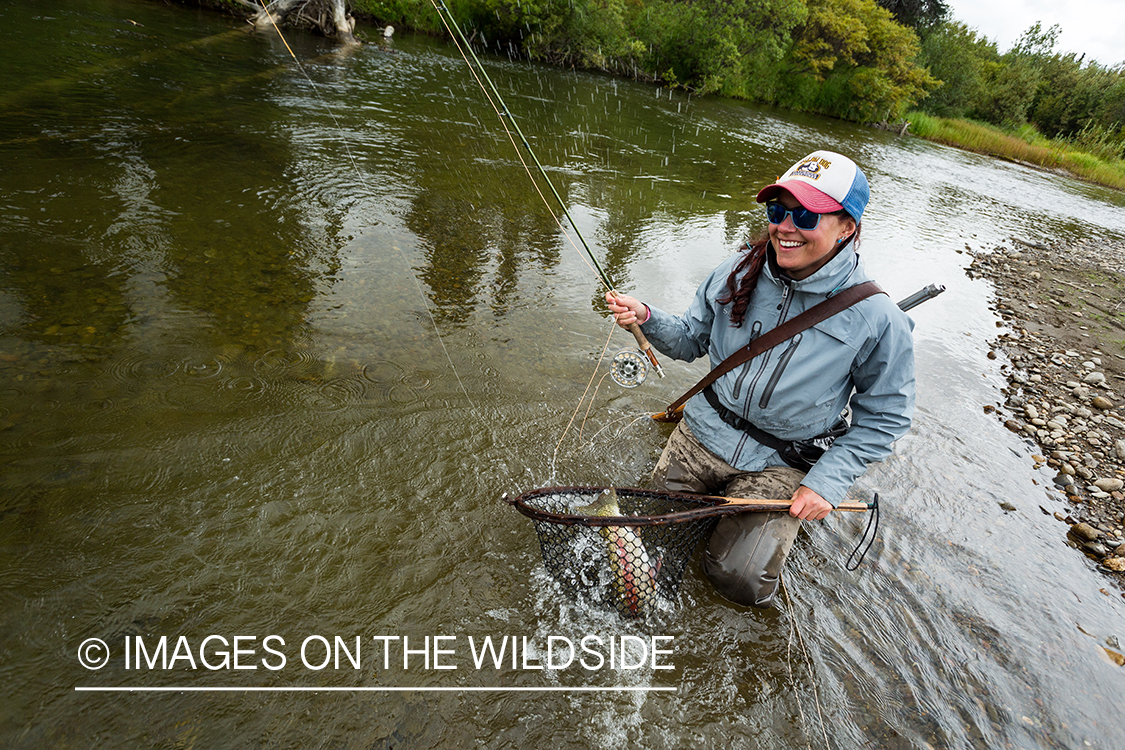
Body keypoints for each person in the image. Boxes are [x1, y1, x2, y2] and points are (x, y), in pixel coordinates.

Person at [605, 150, 915, 608]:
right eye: (777, 210)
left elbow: (884, 419)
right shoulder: (735, 270)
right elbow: (692, 340)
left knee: (740, 582)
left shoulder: (879, 320)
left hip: (780, 462)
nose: (785, 227)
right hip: (702, 434)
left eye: (807, 214)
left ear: (847, 227)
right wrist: (647, 317)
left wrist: (825, 484)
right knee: (649, 544)